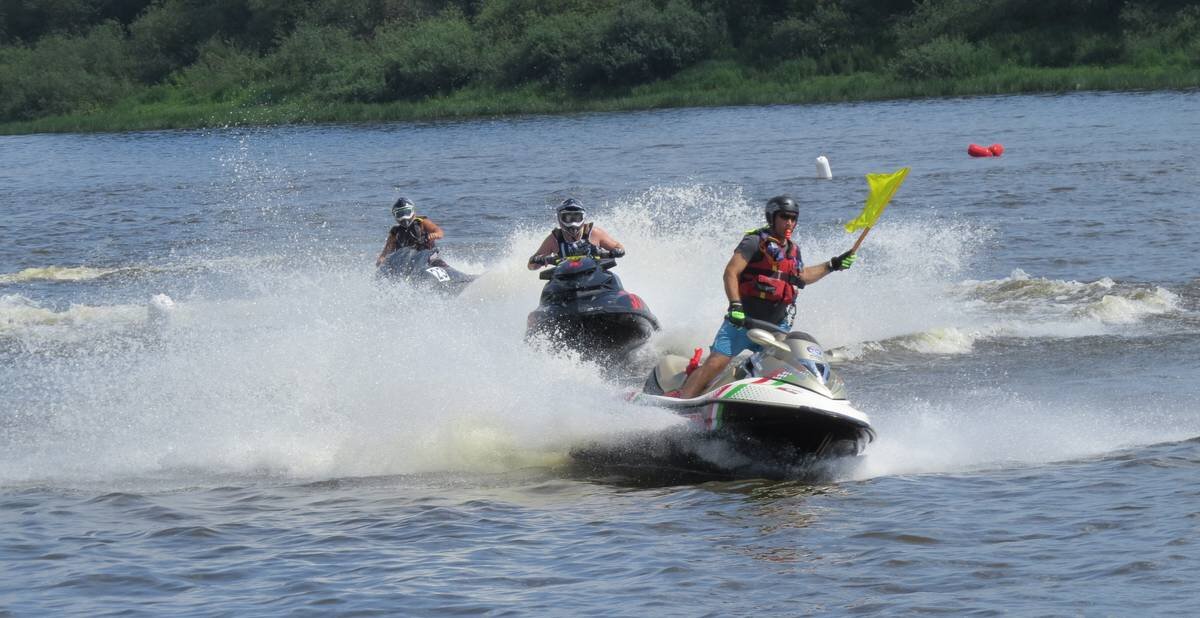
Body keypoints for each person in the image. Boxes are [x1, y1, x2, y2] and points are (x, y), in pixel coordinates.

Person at [674, 194, 856, 399]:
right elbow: (731, 272)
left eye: (793, 218)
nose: (789, 222)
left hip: (776, 328)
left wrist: (832, 265)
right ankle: (682, 402)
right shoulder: (754, 242)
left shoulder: (793, 250)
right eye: (784, 217)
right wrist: (735, 306)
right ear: (772, 217)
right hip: (742, 323)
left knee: (790, 371)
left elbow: (802, 276)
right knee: (715, 363)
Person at [527, 198, 625, 269]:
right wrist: (539, 260)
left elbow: (618, 246)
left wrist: (617, 251)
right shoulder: (554, 239)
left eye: (576, 217)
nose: (573, 222)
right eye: (568, 217)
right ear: (560, 218)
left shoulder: (594, 233)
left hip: (596, 277)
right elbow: (531, 266)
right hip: (565, 282)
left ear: (583, 217)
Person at [376, 197, 445, 266]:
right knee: (389, 263)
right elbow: (387, 249)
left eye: (406, 212)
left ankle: (444, 269)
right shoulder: (395, 231)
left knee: (435, 260)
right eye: (400, 214)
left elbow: (439, 232)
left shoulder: (422, 222)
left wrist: (433, 235)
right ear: (395, 216)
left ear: (413, 211)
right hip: (408, 260)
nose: (404, 217)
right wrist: (381, 258)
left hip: (428, 255)